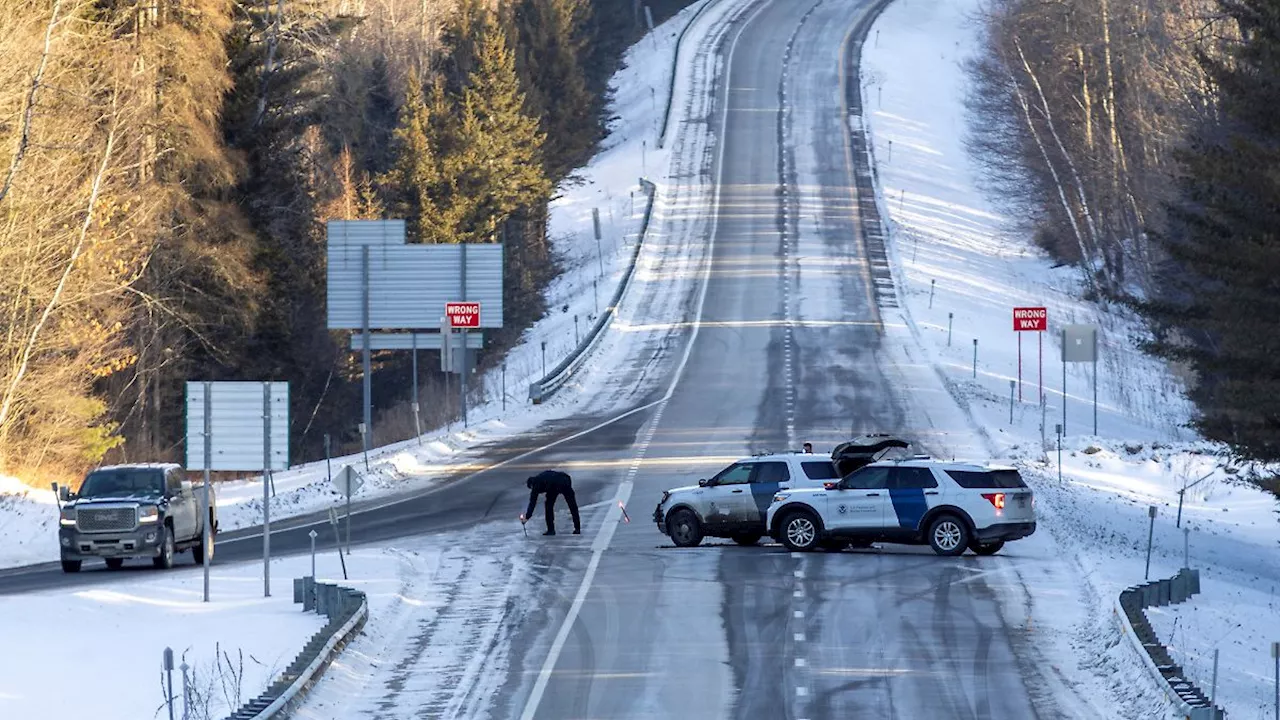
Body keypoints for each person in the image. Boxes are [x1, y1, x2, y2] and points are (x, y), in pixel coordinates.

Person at [523, 469, 581, 536]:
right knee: (573, 506)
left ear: (531, 485)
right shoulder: (540, 477)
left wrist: (527, 517)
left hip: (557, 485)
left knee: (548, 507)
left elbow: (532, 503)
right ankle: (577, 528)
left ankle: (551, 530)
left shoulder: (536, 485)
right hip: (563, 481)